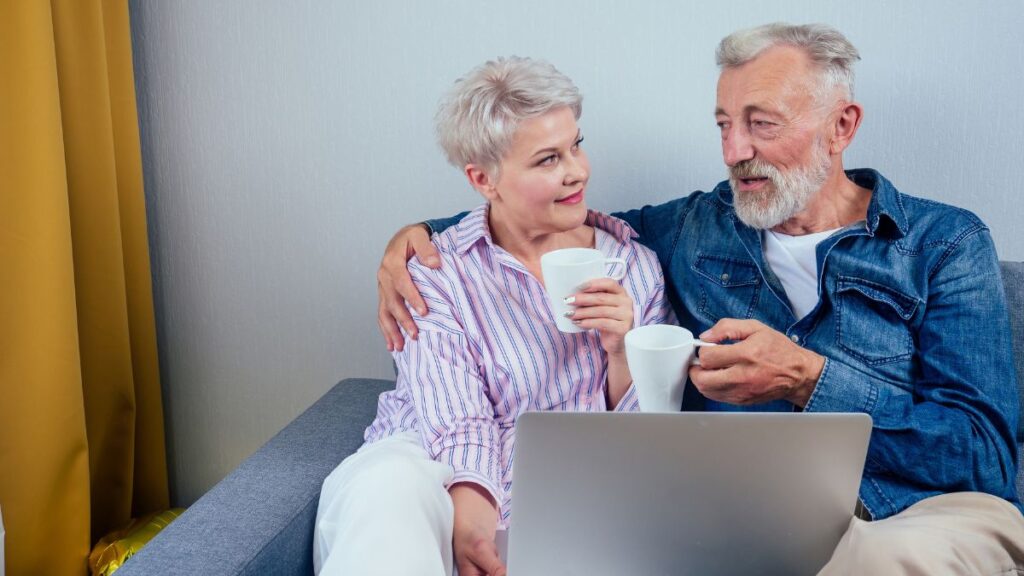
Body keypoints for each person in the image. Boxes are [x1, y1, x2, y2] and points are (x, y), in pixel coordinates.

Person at [376, 23, 1024, 573]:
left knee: (868, 563)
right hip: (747, 520)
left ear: (841, 126)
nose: (735, 152)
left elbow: (986, 456)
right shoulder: (693, 228)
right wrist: (414, 240)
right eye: (724, 124)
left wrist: (807, 378)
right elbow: (539, 218)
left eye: (761, 124)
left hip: (913, 514)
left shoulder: (943, 243)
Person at [314, 56, 670, 576]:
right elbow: (458, 421)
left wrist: (623, 349)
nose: (576, 171)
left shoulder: (634, 265)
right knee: (389, 488)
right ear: (484, 179)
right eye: (547, 159)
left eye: (576, 145)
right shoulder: (435, 271)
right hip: (438, 466)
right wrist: (476, 526)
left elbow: (644, 438)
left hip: (575, 479)